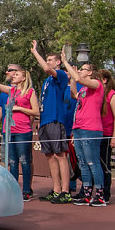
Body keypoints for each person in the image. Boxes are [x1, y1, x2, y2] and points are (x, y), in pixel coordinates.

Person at [0, 56, 40, 202]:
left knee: (24, 160)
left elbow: (36, 111)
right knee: (12, 161)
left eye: (16, 74)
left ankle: (27, 190)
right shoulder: (11, 91)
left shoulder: (30, 92)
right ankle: (14, 188)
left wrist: (20, 108)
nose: (13, 76)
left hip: (23, 131)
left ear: (23, 78)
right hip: (9, 130)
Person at [30, 41, 74, 204]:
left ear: (58, 62)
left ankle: (65, 190)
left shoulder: (60, 75)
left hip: (56, 119)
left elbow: (47, 69)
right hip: (45, 121)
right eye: (46, 59)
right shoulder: (48, 81)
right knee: (49, 155)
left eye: (50, 60)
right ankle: (56, 189)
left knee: (60, 154)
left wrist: (35, 52)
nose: (48, 62)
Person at [61, 56, 106, 207]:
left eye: (83, 69)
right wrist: (73, 76)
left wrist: (67, 64)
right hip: (79, 128)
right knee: (82, 163)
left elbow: (79, 79)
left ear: (91, 72)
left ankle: (99, 194)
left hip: (91, 129)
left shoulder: (96, 84)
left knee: (92, 162)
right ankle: (86, 193)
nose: (80, 71)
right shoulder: (85, 90)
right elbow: (74, 93)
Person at [98, 69, 115, 203]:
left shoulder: (113, 95)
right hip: (96, 132)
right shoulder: (98, 94)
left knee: (104, 164)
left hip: (107, 133)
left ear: (105, 80)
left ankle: (106, 193)